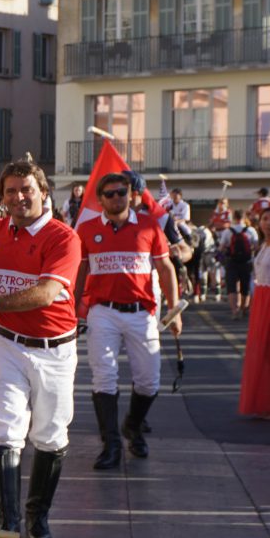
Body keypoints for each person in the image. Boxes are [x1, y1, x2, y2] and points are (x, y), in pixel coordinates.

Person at [0, 159, 81, 538]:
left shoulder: (63, 238)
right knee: (5, 430)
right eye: (10, 191)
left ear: (43, 192)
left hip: (54, 350)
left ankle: (36, 515)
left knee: (50, 435)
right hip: (7, 344)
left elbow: (45, 293)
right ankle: (8, 528)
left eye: (26, 189)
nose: (18, 197)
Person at [75, 173, 181, 471]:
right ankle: (111, 445)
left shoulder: (148, 225)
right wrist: (73, 306)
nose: (116, 198)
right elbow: (80, 271)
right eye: (109, 194)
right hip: (102, 312)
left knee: (149, 381)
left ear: (131, 194)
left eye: (121, 192)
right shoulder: (87, 229)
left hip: (141, 312)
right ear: (101, 199)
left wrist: (174, 312)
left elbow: (166, 268)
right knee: (103, 377)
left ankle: (132, 426)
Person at [240, 207, 270, 418]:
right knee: (261, 354)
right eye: (266, 219)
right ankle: (265, 403)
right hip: (262, 301)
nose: (269, 223)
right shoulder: (264, 245)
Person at [218, 210, 259, 319]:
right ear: (244, 217)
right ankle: (243, 309)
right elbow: (256, 246)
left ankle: (234, 311)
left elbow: (221, 248)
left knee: (232, 287)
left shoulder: (228, 231)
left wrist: (220, 258)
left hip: (232, 261)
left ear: (233, 218)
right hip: (246, 261)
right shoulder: (250, 230)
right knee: (245, 287)